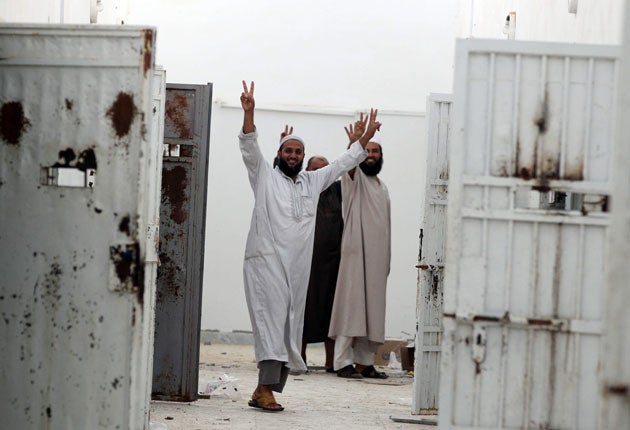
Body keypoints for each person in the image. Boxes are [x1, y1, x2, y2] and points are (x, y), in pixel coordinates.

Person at [238, 80, 381, 411]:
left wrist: (363, 140)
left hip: (296, 269)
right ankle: (264, 389)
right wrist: (249, 112)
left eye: (298, 152)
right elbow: (248, 146)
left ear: (302, 157)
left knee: (288, 327)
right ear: (279, 154)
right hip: (266, 262)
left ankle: (265, 389)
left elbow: (342, 163)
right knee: (272, 324)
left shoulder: (311, 181)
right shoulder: (264, 175)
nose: (293, 156)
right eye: (288, 151)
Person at [328, 121, 391, 380]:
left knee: (373, 309)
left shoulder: (381, 186)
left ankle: (365, 362)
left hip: (377, 259)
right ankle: (342, 362)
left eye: (376, 151)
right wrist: (358, 142)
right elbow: (350, 164)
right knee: (351, 306)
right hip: (355, 255)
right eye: (368, 151)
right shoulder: (355, 180)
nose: (371, 155)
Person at [300, 153, 343, 373]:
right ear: (307, 171)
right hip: (306, 261)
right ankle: (300, 357)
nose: (321, 173)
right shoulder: (302, 189)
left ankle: (331, 360)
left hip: (333, 261)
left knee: (330, 308)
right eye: (317, 169)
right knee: (304, 308)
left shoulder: (338, 190)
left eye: (325, 169)